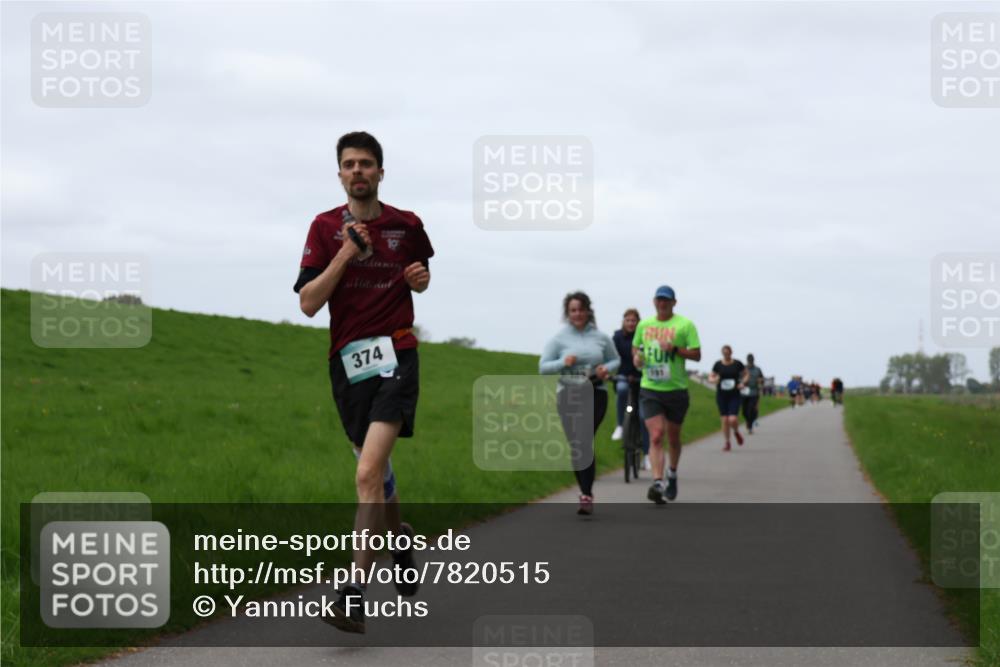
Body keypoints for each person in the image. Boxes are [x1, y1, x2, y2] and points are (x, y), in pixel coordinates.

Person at [294, 131, 434, 634]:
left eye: (366, 163)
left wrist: (420, 281)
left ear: (380, 172)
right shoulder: (323, 228)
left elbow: (420, 274)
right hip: (348, 364)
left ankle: (353, 592)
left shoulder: (407, 225)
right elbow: (309, 303)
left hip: (397, 354)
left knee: (366, 473)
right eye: (349, 164)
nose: (358, 171)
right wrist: (345, 255)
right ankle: (399, 540)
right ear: (339, 174)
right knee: (377, 474)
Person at [540, 292, 620, 515]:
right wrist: (562, 362)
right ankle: (585, 491)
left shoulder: (601, 337)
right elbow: (543, 367)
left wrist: (606, 368)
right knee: (577, 445)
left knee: (584, 440)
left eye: (581, 309)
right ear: (568, 313)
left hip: (595, 392)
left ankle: (586, 494)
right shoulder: (559, 339)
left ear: (588, 311)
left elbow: (615, 359)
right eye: (573, 310)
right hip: (568, 393)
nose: (577, 314)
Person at [632, 285, 702, 505]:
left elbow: (697, 354)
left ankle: (672, 473)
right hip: (650, 387)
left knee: (673, 438)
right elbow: (636, 348)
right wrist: (637, 359)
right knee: (656, 435)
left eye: (666, 300)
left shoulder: (685, 325)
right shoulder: (644, 325)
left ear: (674, 303)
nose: (662, 303)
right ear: (654, 302)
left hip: (676, 390)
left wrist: (674, 349)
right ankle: (657, 482)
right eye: (659, 300)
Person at [611, 308, 650, 469]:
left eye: (633, 320)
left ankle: (647, 455)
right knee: (621, 390)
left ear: (638, 322)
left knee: (643, 417)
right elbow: (612, 356)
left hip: (642, 380)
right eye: (628, 320)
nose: (631, 323)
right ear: (623, 321)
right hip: (623, 377)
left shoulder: (644, 337)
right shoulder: (617, 337)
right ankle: (620, 425)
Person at [709, 345, 746, 451]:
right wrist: (713, 380)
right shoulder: (718, 364)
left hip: (734, 395)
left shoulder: (737, 364)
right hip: (722, 395)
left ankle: (736, 432)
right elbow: (711, 376)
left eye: (727, 352)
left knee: (732, 419)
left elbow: (746, 374)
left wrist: (742, 383)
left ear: (731, 352)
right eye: (724, 353)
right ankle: (727, 442)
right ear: (722, 353)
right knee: (724, 420)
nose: (726, 354)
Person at [741, 353, 765, 434]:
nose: (750, 361)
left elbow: (762, 379)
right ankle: (748, 421)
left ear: (753, 360)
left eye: (751, 359)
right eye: (749, 359)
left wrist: (760, 381)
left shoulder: (758, 369)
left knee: (751, 409)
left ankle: (750, 426)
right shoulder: (743, 369)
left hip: (754, 391)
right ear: (747, 360)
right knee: (744, 411)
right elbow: (738, 378)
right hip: (744, 392)